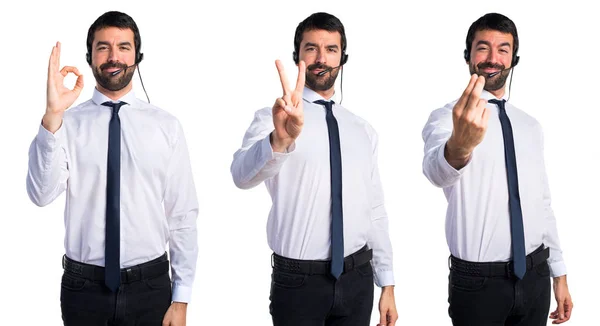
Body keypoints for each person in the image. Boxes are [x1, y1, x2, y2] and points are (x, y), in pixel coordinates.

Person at [26, 11, 198, 326]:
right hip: (83, 291)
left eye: (123, 47)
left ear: (137, 57)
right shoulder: (66, 123)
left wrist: (182, 296)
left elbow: (182, 215)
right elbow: (40, 193)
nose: (113, 56)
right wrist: (52, 116)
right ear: (91, 57)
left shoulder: (166, 126)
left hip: (151, 288)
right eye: (103, 47)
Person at [230, 12, 398, 326]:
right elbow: (241, 175)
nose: (321, 58)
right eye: (311, 49)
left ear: (342, 59)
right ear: (298, 58)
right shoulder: (273, 118)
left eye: (331, 49)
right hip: (298, 283)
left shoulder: (363, 130)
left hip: (358, 279)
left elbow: (374, 209)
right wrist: (279, 140)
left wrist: (386, 282)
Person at [421, 12, 573, 325]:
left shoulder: (530, 126)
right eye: (483, 48)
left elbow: (542, 203)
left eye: (503, 49)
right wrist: (460, 145)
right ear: (468, 57)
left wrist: (559, 273)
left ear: (513, 59)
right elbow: (436, 172)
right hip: (478, 284)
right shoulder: (446, 117)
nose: (493, 58)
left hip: (535, 276)